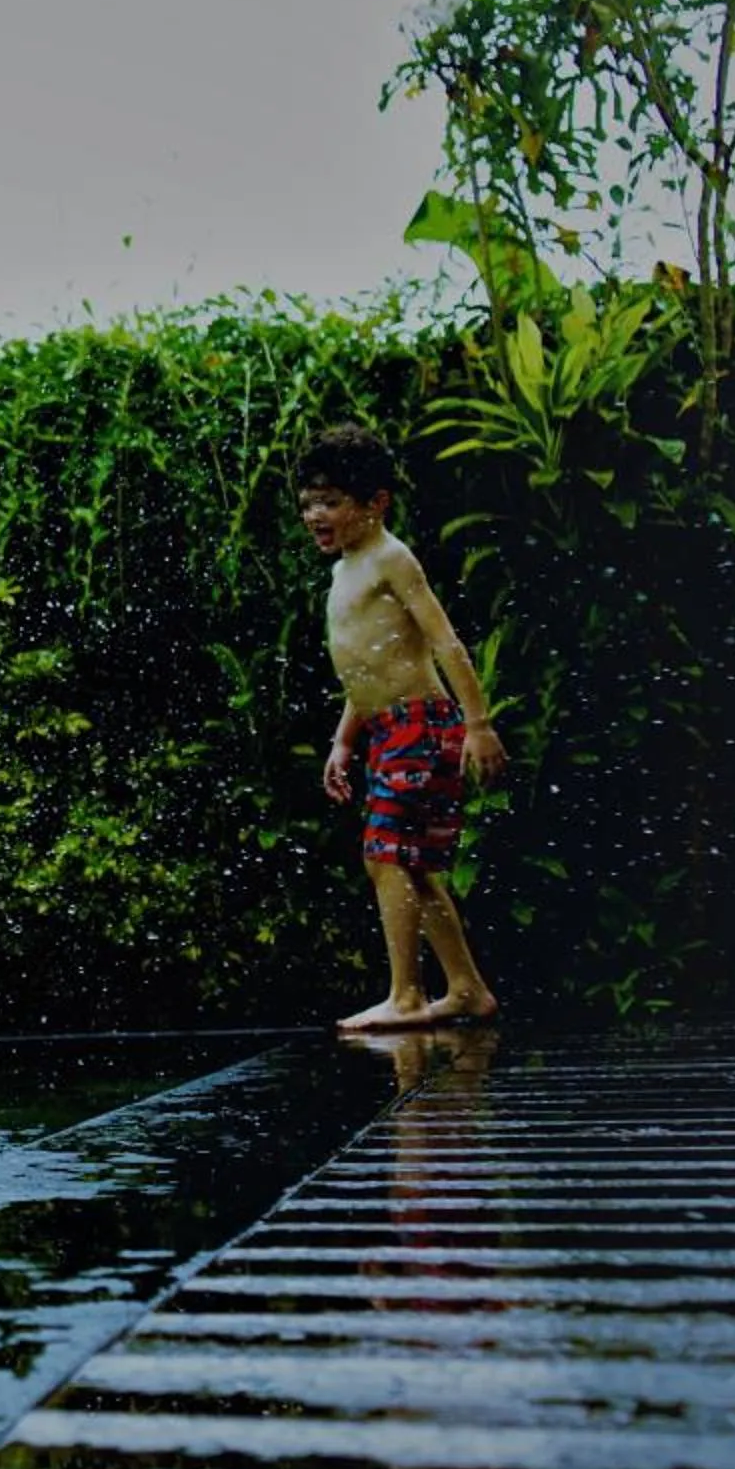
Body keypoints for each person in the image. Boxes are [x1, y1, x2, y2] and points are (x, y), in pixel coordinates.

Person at [300, 422, 506, 1030]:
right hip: (388, 728)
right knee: (408, 860)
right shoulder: (346, 570)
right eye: (308, 502)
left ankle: (408, 995)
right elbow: (366, 671)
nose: (316, 514)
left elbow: (443, 641)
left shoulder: (391, 559)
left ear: (376, 503)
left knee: (386, 855)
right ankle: (466, 988)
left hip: (422, 723)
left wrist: (480, 724)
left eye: (331, 501)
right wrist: (344, 740)